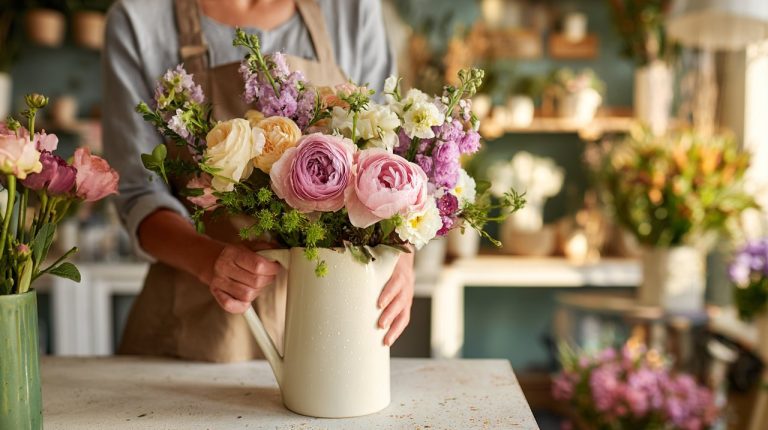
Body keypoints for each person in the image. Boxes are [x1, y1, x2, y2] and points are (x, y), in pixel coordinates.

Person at [102, 0, 415, 362]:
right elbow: (139, 195)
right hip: (198, 329)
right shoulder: (140, 20)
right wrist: (209, 260)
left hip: (333, 320)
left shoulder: (353, 10)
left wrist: (401, 257)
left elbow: (390, 155)